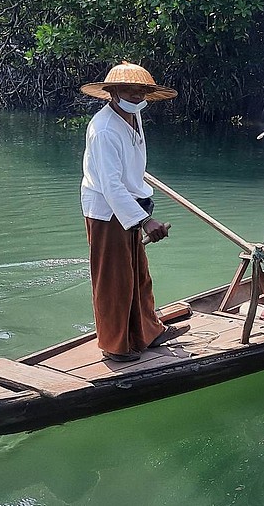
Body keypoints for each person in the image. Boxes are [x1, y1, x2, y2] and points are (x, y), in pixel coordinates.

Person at [80, 62, 188, 363]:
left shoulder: (134, 115)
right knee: (114, 280)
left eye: (141, 91)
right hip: (106, 210)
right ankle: (115, 344)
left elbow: (129, 169)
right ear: (112, 93)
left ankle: (148, 332)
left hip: (130, 203)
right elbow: (111, 185)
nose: (136, 96)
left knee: (138, 275)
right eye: (129, 90)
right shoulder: (103, 130)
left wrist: (143, 203)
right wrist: (146, 221)